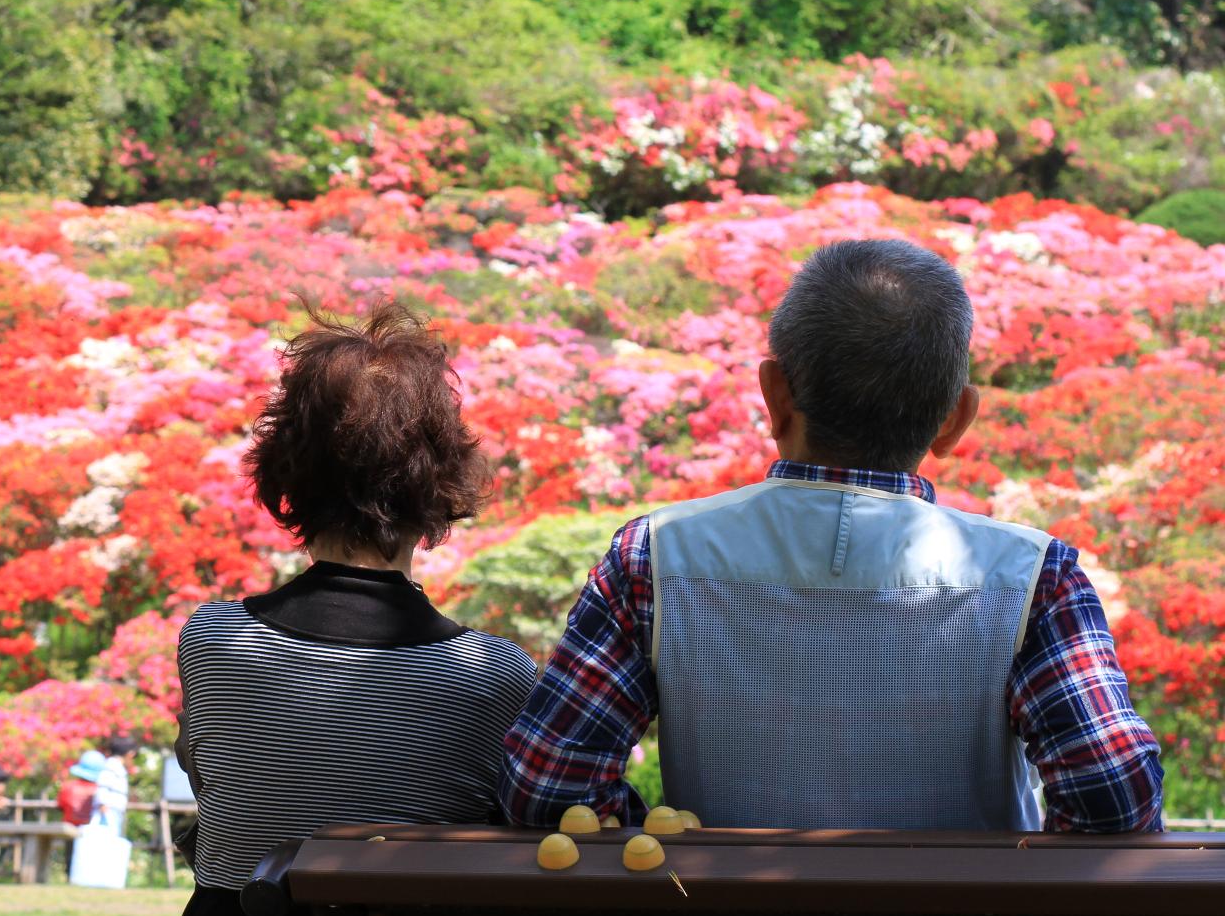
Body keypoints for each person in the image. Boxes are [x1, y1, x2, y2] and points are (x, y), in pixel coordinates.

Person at [499, 239, 1164, 833]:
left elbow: (551, 790)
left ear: (774, 394)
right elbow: (1113, 798)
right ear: (955, 419)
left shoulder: (651, 559)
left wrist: (676, 834)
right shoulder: (1034, 578)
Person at [175, 303, 539, 916]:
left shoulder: (214, 641)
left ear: (285, 474)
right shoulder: (493, 676)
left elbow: (215, 783)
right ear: (440, 484)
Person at [93, 738, 133, 832]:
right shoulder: (111, 766)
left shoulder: (115, 766)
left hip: (113, 813)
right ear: (129, 754)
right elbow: (102, 789)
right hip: (108, 814)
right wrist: (104, 813)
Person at [58, 752, 103, 827]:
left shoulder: (68, 787)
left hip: (69, 833)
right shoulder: (101, 791)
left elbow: (61, 806)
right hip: (94, 832)